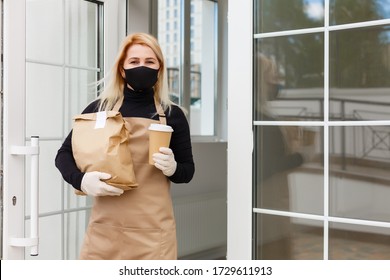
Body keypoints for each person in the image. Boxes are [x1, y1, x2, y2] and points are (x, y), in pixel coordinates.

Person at [55, 32, 195, 260]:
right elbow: (64, 154)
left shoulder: (172, 115)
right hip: (105, 231)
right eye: (134, 61)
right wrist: (81, 180)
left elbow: (187, 172)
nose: (142, 67)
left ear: (159, 68)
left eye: (149, 61)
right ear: (122, 69)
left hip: (153, 234)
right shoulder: (100, 109)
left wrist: (173, 168)